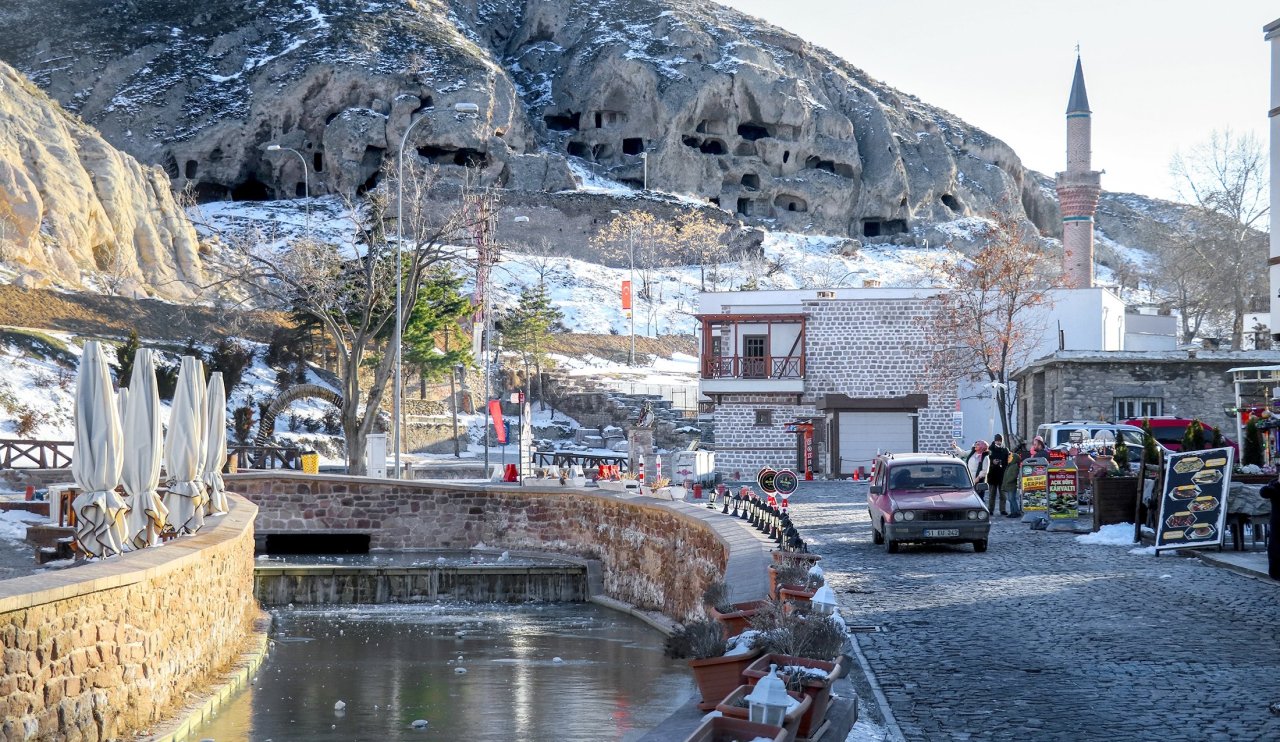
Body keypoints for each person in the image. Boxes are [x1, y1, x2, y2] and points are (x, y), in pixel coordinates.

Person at [1259, 478, 1280, 580]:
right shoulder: (1275, 485)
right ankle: (1275, 571)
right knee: (1275, 547)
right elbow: (1264, 492)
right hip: (1277, 522)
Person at [965, 440, 991, 510]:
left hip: (978, 480)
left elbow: (985, 470)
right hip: (969, 478)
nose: (975, 445)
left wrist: (978, 478)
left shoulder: (985, 457)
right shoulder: (972, 453)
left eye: (978, 445)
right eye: (975, 444)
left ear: (982, 447)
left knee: (979, 497)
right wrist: (955, 447)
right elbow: (963, 453)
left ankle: (980, 512)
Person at [988, 434, 1010, 515]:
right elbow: (986, 461)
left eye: (1000, 441)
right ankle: (990, 509)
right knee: (992, 495)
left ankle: (1002, 509)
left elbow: (1008, 462)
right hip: (992, 475)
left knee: (1003, 495)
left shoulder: (1005, 450)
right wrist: (992, 462)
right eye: (997, 441)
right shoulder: (990, 449)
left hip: (1002, 475)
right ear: (995, 441)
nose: (999, 442)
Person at [1003, 441, 1026, 517]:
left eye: (1010, 457)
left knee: (1012, 499)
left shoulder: (1015, 466)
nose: (1008, 458)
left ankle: (1016, 512)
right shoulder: (1009, 466)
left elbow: (1014, 476)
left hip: (1011, 485)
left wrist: (1009, 481)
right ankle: (1012, 512)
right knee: (1010, 499)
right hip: (1008, 485)